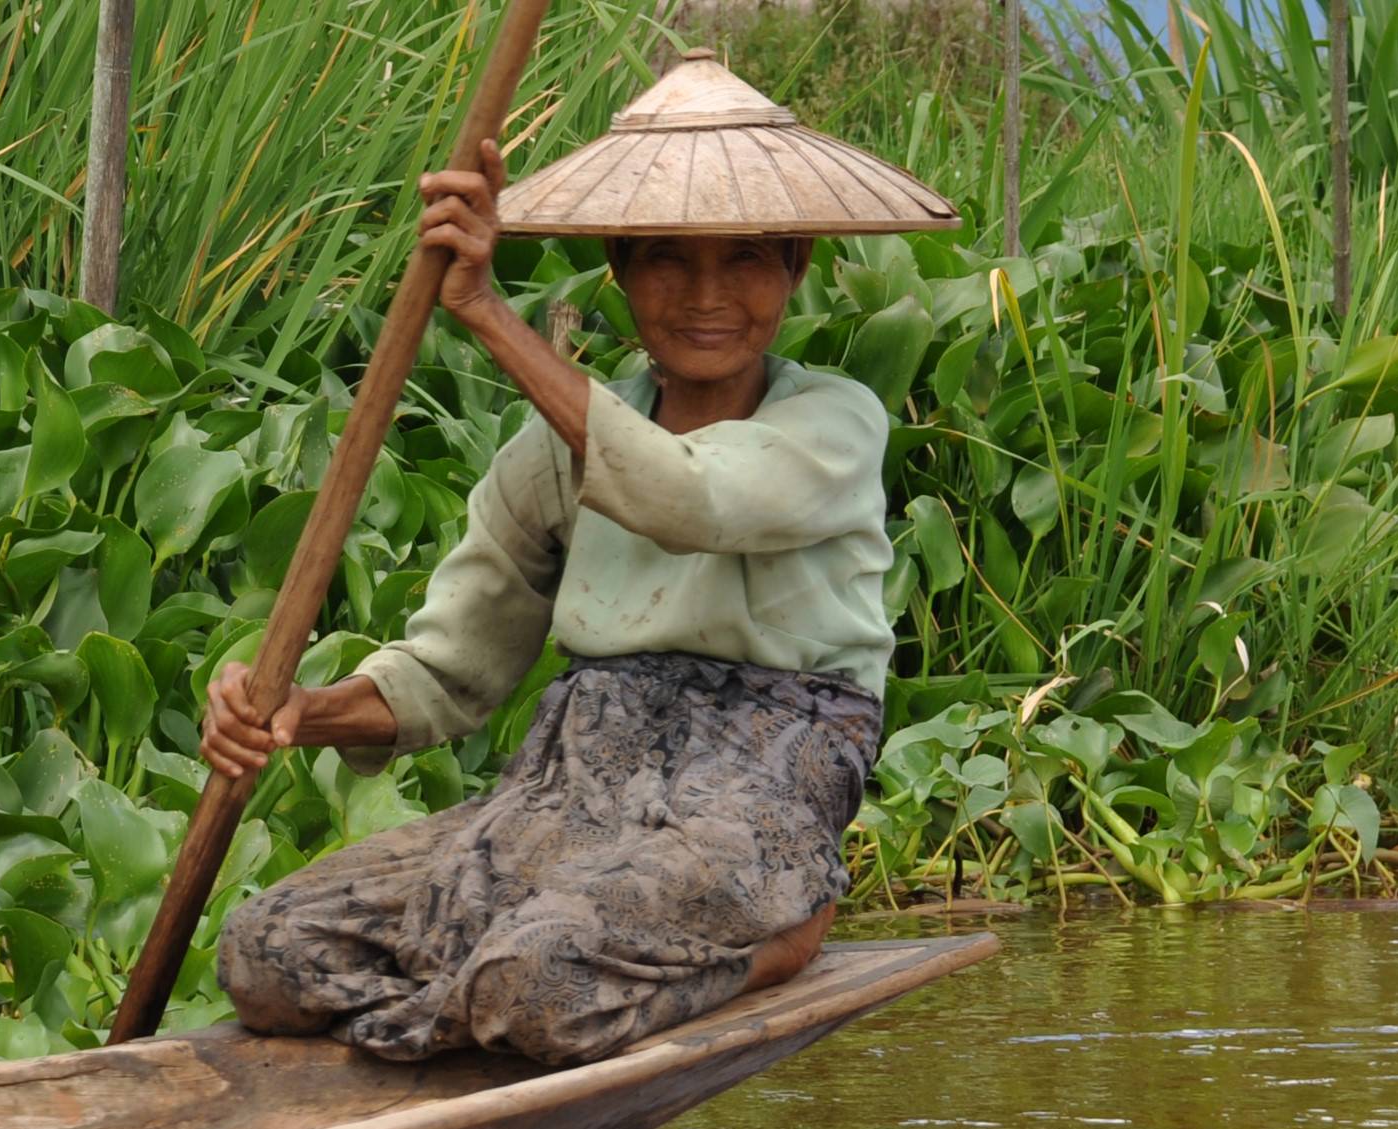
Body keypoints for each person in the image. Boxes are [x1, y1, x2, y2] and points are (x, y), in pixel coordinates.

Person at [205, 138, 895, 1066]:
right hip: (577, 781)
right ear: (617, 269)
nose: (705, 297)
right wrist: (299, 713)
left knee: (538, 979)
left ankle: (780, 931)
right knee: (269, 951)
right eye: (665, 260)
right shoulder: (548, 455)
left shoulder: (833, 421)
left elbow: (685, 495)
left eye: (745, 258)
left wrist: (485, 310)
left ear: (795, 266)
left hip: (761, 777)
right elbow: (453, 668)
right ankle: (509, 969)